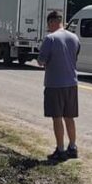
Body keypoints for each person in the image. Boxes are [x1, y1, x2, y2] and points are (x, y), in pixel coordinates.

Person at [37, 10, 81, 162]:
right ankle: (73, 147)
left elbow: (41, 61)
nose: (48, 28)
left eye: (48, 24)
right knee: (69, 117)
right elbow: (75, 56)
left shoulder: (50, 39)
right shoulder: (74, 38)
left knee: (57, 117)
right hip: (72, 83)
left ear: (51, 22)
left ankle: (60, 150)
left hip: (55, 84)